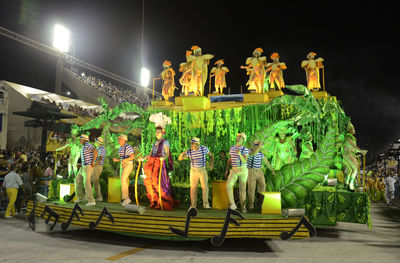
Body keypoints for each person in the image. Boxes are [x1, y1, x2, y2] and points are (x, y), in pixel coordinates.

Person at [143, 112, 176, 210]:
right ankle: (154, 200)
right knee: (150, 182)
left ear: (162, 133)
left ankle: (161, 202)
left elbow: (166, 153)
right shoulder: (155, 143)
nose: (157, 134)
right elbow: (151, 153)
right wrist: (144, 158)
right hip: (152, 163)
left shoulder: (165, 142)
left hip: (160, 164)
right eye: (156, 132)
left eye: (158, 132)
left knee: (158, 183)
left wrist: (163, 158)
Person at [178, 137, 214, 209]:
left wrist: (211, 164)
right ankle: (193, 205)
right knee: (193, 188)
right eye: (191, 143)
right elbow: (180, 159)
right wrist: (182, 153)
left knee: (205, 187)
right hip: (193, 170)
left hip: (202, 169)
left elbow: (211, 155)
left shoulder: (204, 149)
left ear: (197, 144)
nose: (191, 144)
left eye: (192, 143)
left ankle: (206, 204)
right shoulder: (190, 151)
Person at [247, 140, 276, 210]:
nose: (261, 147)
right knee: (251, 189)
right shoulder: (249, 151)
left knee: (263, 185)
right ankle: (251, 205)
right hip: (251, 171)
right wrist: (259, 145)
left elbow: (266, 162)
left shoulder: (260, 154)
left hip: (259, 171)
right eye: (259, 146)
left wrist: (272, 171)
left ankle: (260, 202)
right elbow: (253, 153)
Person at [225, 132, 249, 212]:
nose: (237, 138)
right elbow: (230, 159)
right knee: (229, 185)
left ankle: (243, 207)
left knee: (242, 188)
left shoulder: (244, 149)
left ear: (243, 140)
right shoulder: (232, 148)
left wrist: (240, 154)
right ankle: (233, 204)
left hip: (242, 169)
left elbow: (245, 161)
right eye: (237, 136)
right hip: (234, 168)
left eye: (240, 137)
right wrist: (227, 169)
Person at [113, 134, 137, 206]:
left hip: (128, 165)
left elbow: (132, 157)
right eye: (118, 139)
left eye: (120, 139)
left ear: (124, 140)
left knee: (123, 180)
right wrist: (117, 160)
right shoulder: (120, 148)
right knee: (123, 180)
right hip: (122, 165)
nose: (118, 140)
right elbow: (122, 158)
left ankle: (126, 198)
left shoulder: (128, 147)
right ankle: (124, 198)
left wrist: (124, 160)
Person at [75, 134, 98, 206]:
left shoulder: (88, 145)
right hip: (83, 166)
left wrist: (93, 161)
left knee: (86, 183)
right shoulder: (84, 146)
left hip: (88, 166)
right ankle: (81, 197)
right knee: (77, 181)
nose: (79, 140)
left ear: (84, 139)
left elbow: (95, 151)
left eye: (80, 139)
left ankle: (91, 200)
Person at [92, 137, 106, 202]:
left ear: (98, 142)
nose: (94, 142)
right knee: (94, 181)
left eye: (95, 141)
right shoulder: (98, 148)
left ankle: (99, 196)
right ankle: (96, 196)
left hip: (98, 166)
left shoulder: (101, 149)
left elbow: (100, 158)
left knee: (95, 181)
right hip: (97, 166)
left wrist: (94, 164)